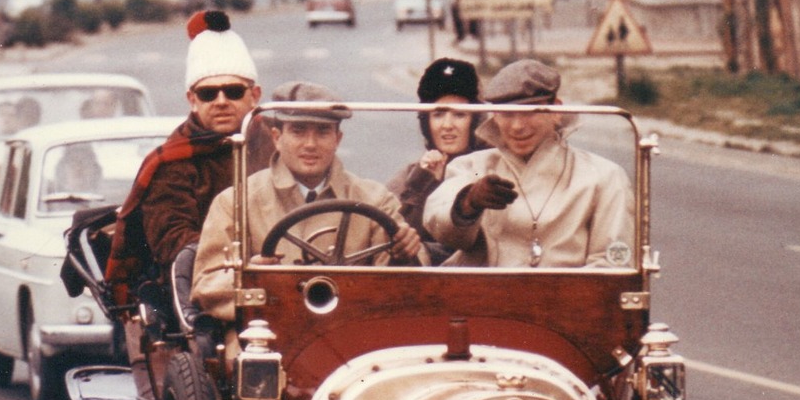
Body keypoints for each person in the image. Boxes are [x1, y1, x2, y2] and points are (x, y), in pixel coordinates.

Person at [192, 81, 425, 322]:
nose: (310, 144)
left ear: (338, 139)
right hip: (266, 330)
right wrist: (252, 277)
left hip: (352, 329)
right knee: (242, 359)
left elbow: (405, 291)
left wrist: (404, 252)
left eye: (323, 132)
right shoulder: (236, 202)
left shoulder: (375, 200)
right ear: (277, 137)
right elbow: (205, 286)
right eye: (298, 130)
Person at [105, 8, 268, 306]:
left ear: (254, 95)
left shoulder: (277, 145)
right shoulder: (172, 162)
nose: (221, 102)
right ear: (192, 100)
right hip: (204, 289)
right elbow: (173, 241)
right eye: (208, 94)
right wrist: (248, 263)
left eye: (233, 91)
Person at [423, 59, 634, 268]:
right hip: (483, 296)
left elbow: (614, 263)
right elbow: (439, 227)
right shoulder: (473, 168)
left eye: (529, 111)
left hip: (570, 298)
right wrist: (468, 202)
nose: (517, 126)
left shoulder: (604, 177)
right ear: (494, 116)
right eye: (507, 114)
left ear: (556, 111)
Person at [387, 57, 486, 264]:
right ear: (426, 122)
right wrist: (422, 183)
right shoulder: (412, 175)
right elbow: (388, 237)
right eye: (438, 114)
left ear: (474, 121)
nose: (447, 125)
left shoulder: (490, 167)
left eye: (459, 115)